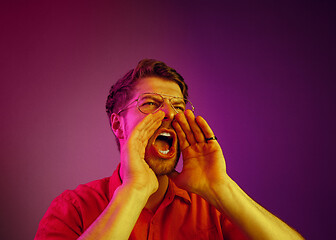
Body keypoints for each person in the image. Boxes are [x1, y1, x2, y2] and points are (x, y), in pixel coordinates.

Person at [35, 59, 303, 240]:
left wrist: (221, 186)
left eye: (177, 106)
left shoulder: (213, 205)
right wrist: (135, 190)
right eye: (151, 103)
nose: (169, 114)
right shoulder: (73, 207)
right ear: (118, 125)